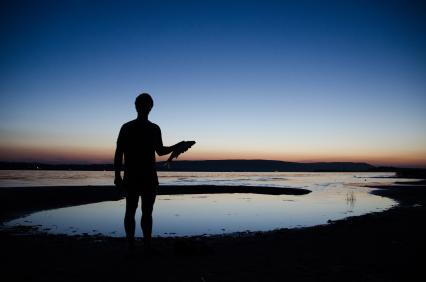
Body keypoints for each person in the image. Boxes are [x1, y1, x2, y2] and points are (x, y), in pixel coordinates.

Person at [114, 93, 185, 250]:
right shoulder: (141, 128)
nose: (146, 108)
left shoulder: (136, 127)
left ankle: (137, 245)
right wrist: (117, 175)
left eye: (146, 105)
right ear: (145, 107)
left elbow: (159, 151)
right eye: (145, 105)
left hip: (140, 176)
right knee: (140, 212)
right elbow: (119, 153)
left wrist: (177, 146)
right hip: (142, 176)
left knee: (135, 211)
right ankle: (140, 245)